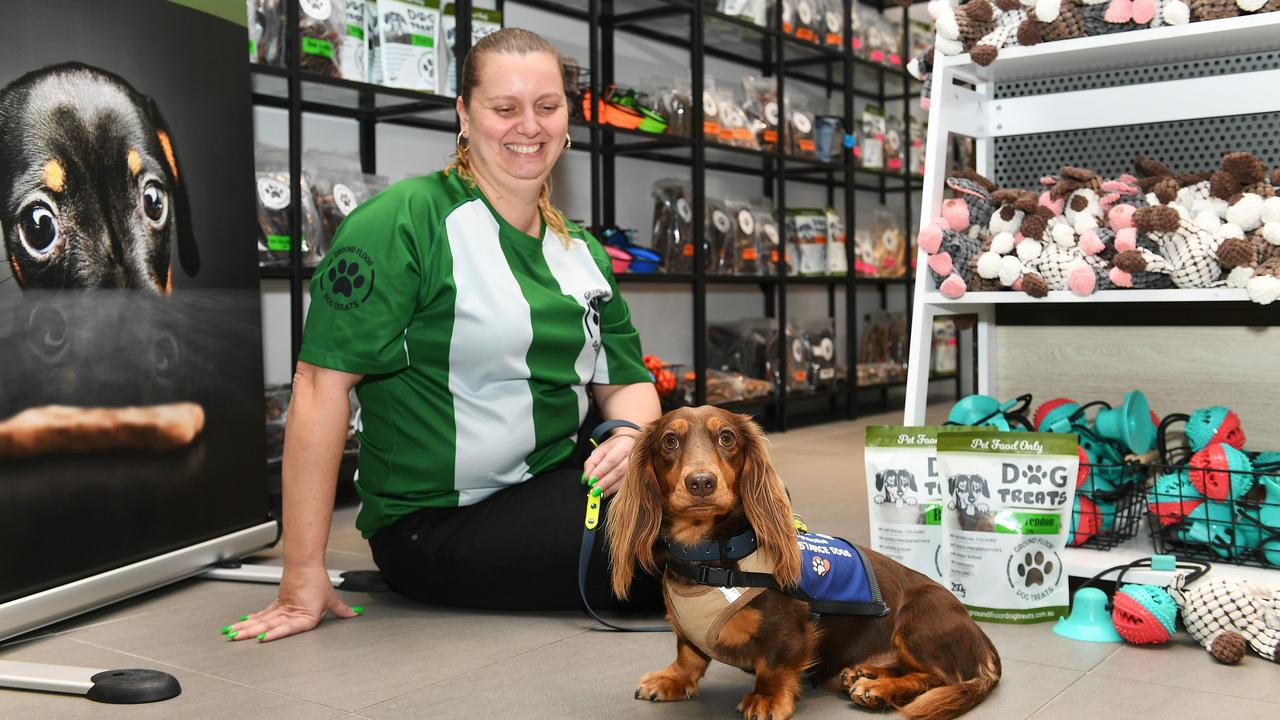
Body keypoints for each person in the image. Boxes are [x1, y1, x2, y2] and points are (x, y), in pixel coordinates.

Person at [225, 28, 662, 643]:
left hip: (557, 483)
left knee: (721, 488)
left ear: (569, 116)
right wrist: (302, 574)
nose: (528, 127)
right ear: (464, 113)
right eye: (505, 109)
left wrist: (631, 434)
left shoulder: (580, 250)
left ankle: (831, 603)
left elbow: (627, 382)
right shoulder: (405, 222)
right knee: (690, 546)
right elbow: (319, 385)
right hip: (437, 525)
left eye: (547, 106)